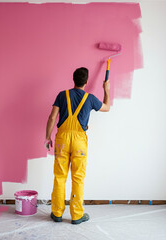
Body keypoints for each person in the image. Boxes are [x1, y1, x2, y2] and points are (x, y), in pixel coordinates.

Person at [44, 67, 110, 224]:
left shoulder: (62, 95)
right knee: (78, 178)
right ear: (86, 82)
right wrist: (106, 89)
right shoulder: (90, 98)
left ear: (73, 79)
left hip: (62, 139)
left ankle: (57, 213)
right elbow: (107, 107)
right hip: (79, 141)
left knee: (60, 177)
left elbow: (52, 117)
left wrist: (47, 136)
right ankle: (77, 215)